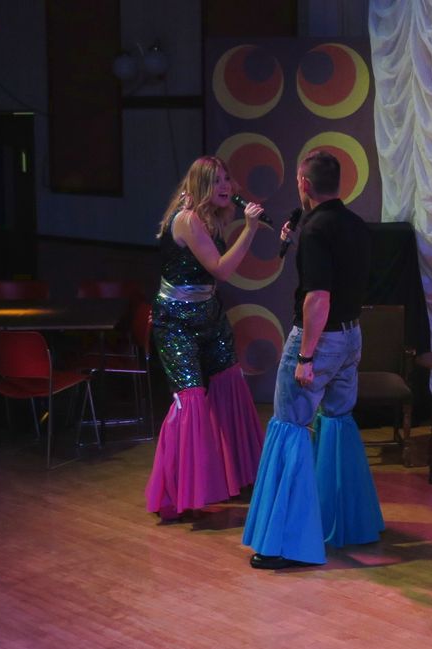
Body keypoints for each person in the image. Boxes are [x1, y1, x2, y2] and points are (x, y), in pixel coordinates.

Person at [242, 150, 383, 569]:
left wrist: (305, 356)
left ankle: (285, 544)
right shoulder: (354, 225)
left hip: (320, 340)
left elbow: (318, 297)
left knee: (290, 426)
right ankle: (344, 523)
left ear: (304, 184)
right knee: (336, 420)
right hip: (351, 336)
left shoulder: (317, 231)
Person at [146, 156, 265, 521]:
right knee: (192, 398)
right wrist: (250, 229)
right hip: (177, 323)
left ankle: (239, 475)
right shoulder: (187, 219)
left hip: (209, 316)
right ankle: (180, 492)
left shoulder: (210, 218)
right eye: (216, 181)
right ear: (201, 186)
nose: (226, 186)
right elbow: (221, 270)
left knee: (229, 383)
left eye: (227, 178)